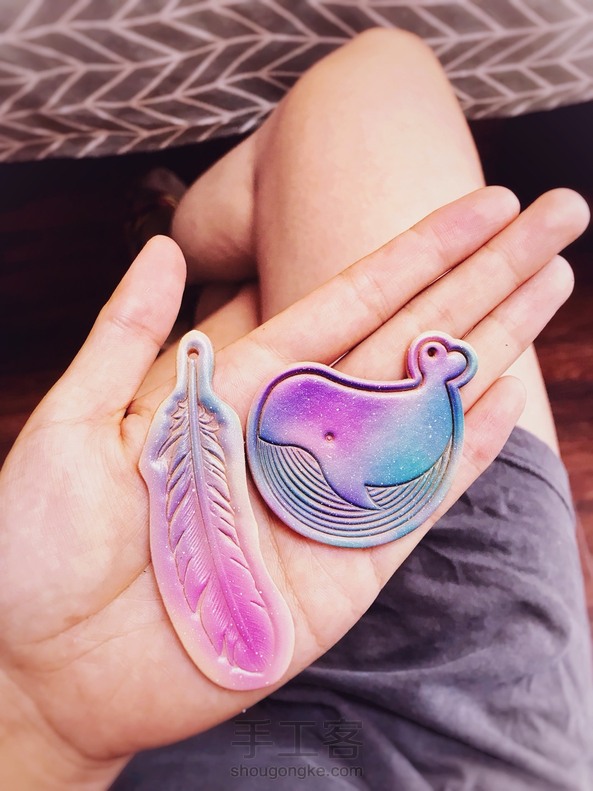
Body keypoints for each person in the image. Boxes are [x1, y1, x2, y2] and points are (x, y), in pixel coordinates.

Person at [0, 30, 591, 790]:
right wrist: (32, 705)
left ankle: (194, 249)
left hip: (193, 671)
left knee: (269, 300)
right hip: (478, 721)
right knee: (375, 84)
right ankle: (202, 254)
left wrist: (34, 713)